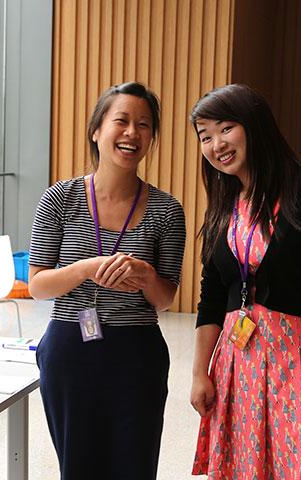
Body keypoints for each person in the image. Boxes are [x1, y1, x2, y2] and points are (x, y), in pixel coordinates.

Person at [188, 84, 301, 479]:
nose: (217, 144)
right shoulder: (224, 205)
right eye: (205, 136)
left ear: (255, 125)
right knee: (245, 467)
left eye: (226, 128)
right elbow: (211, 296)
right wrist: (200, 373)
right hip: (237, 364)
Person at [28, 82, 186, 478]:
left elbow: (165, 299)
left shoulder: (167, 210)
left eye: (145, 125)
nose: (133, 132)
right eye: (122, 121)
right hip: (70, 349)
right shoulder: (59, 199)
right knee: (78, 468)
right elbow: (37, 286)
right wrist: (85, 268)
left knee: (134, 467)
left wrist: (147, 275)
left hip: (137, 356)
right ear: (97, 130)